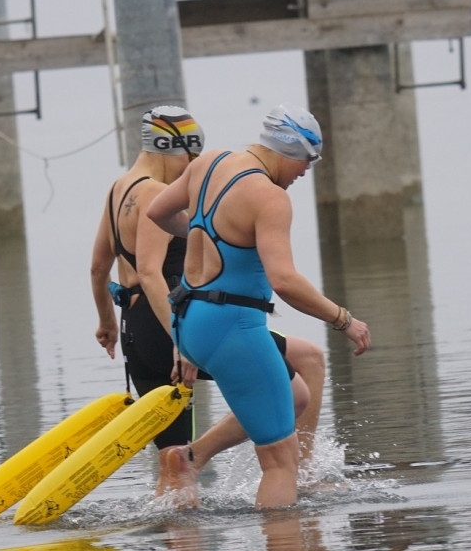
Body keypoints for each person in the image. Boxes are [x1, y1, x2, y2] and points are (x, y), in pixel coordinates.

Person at [89, 106, 326, 502]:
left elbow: (98, 268)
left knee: (174, 469)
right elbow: (150, 272)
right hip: (170, 324)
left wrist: (107, 323)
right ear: (169, 147)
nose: (193, 166)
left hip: (134, 329)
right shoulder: (150, 190)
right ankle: (295, 473)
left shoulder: (119, 189)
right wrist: (179, 343)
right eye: (189, 155)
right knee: (304, 372)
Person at [147, 105, 371, 508]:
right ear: (289, 149)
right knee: (279, 462)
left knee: (295, 396)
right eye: (307, 160)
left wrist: (209, 233)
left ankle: (189, 458)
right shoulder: (269, 198)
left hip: (189, 321)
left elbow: (158, 211)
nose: (305, 171)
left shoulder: (210, 162)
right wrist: (343, 320)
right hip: (232, 329)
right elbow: (285, 282)